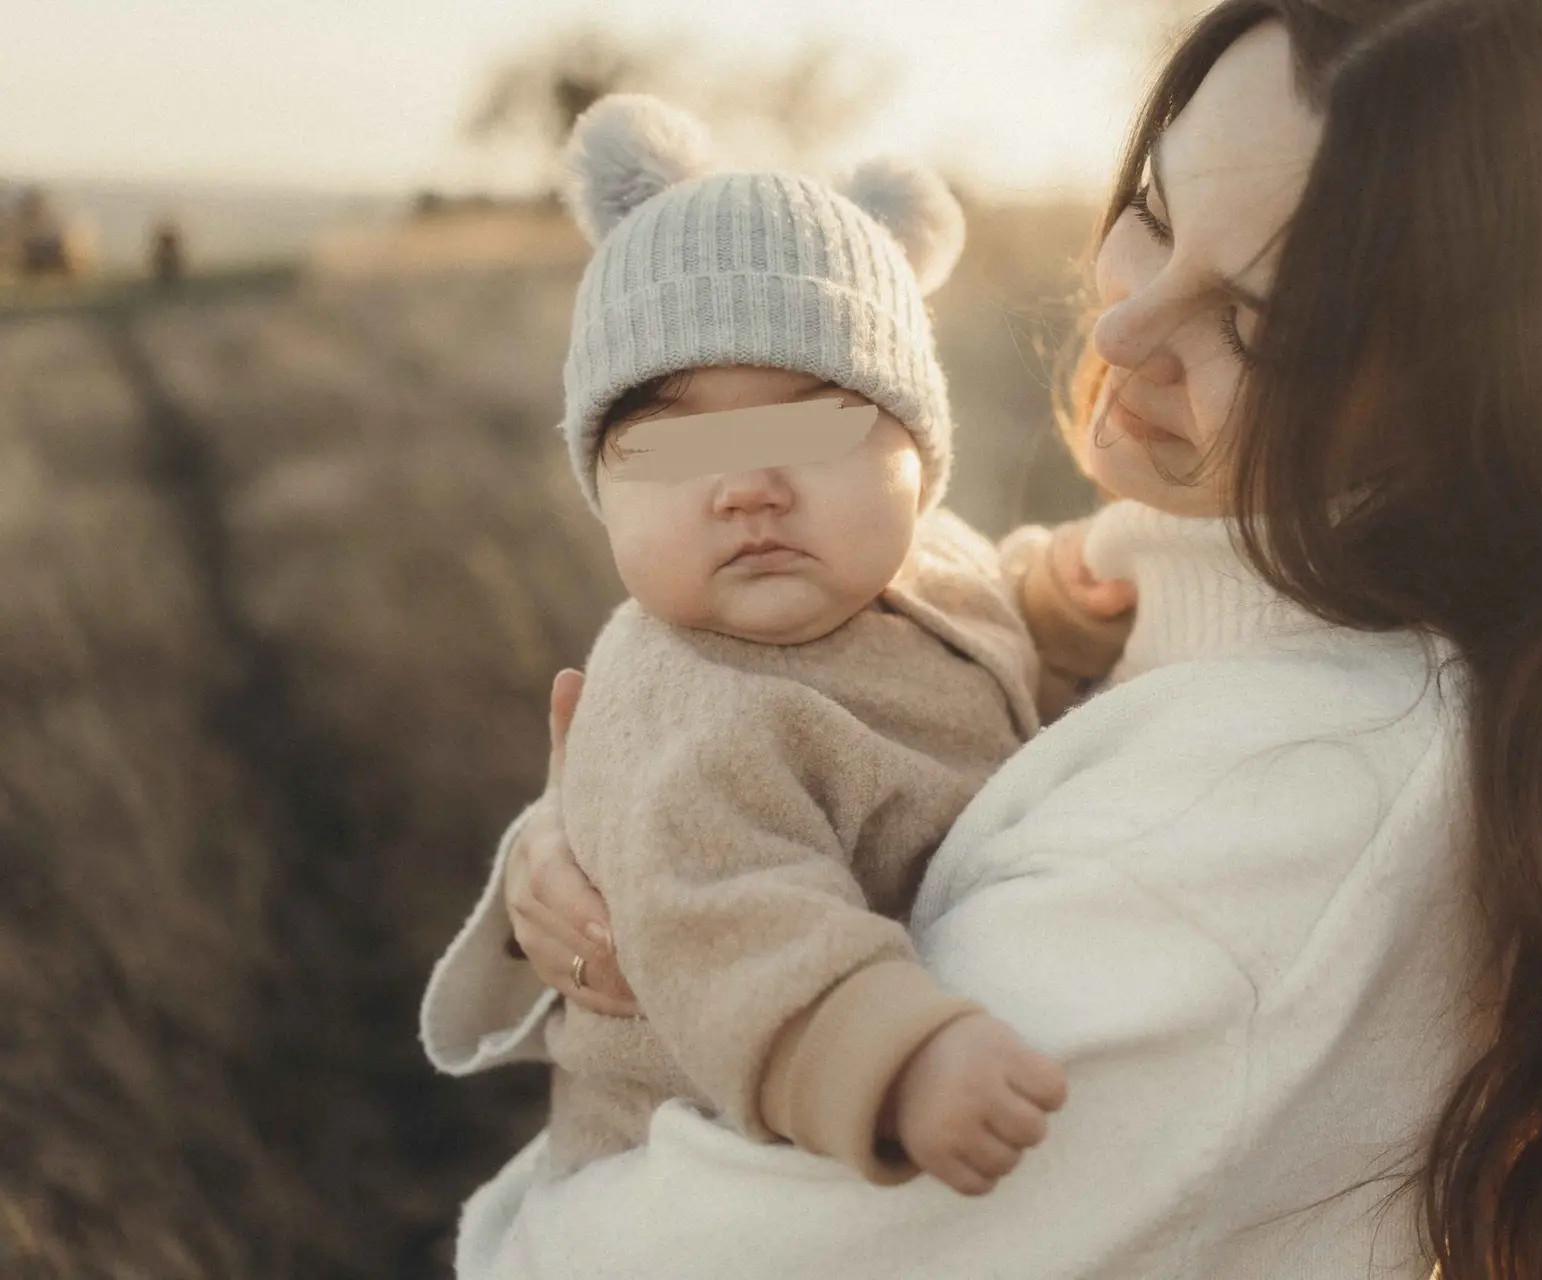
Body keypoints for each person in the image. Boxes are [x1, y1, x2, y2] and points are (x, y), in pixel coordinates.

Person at [423, 1, 1542, 1276]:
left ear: (1479, 398)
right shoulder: (1186, 611)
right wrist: (600, 845)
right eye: (1151, 210)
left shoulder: (1286, 809)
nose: (1124, 328)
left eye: (1257, 324)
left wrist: (529, 1203)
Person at [423, 93, 1144, 1201]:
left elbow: (989, 618)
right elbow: (744, 929)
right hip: (687, 1172)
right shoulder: (682, 705)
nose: (748, 484)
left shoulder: (929, 568)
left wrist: (1053, 599)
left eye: (814, 423)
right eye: (672, 443)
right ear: (599, 487)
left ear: (918, 451)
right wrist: (903, 1061)